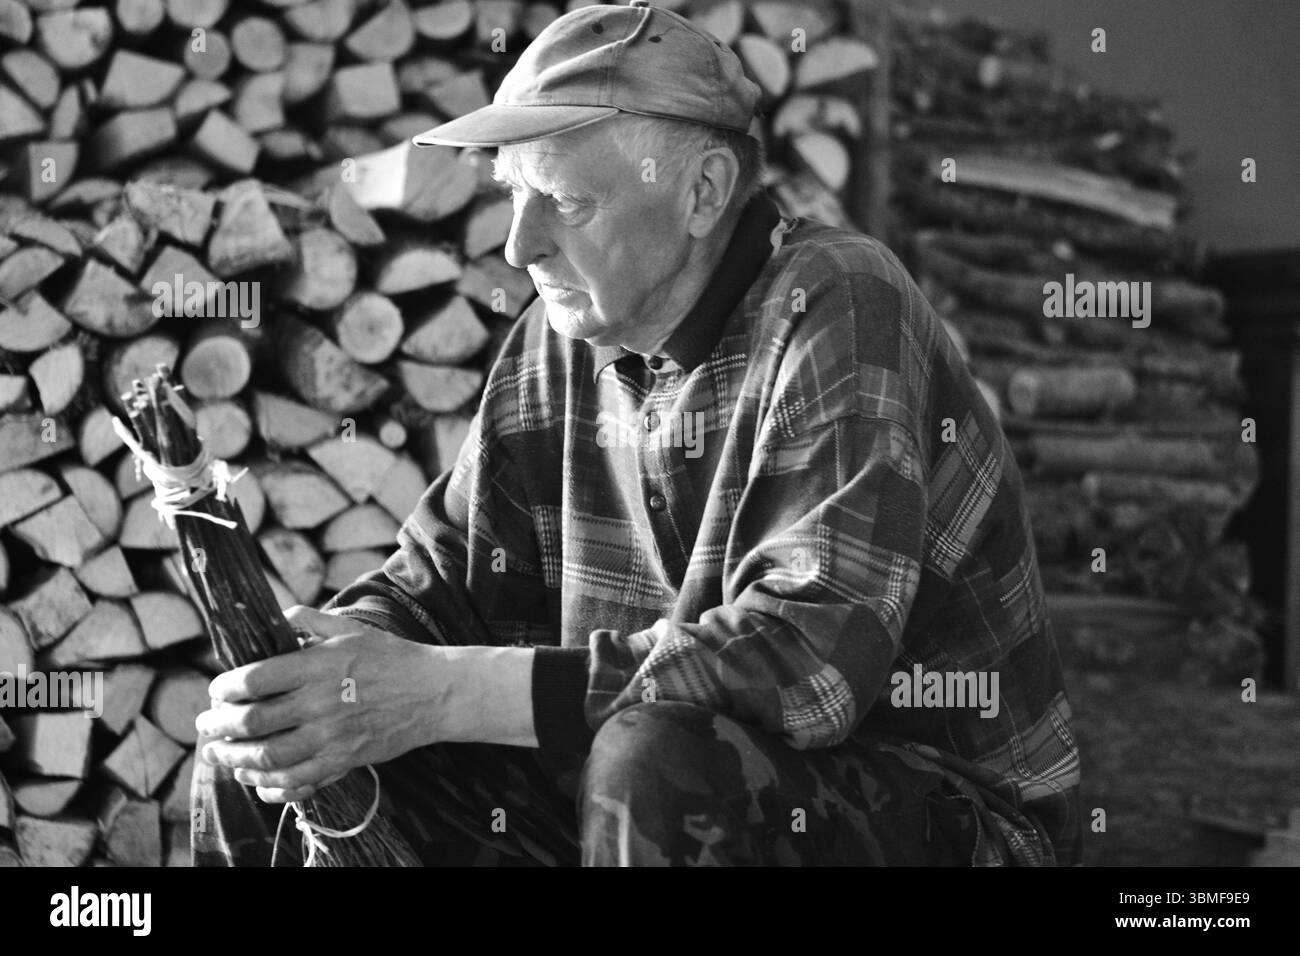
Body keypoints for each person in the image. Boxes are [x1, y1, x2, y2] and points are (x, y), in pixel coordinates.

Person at [192, 0, 1082, 867]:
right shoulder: (563, 334)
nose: (518, 247)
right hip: (632, 790)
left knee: (657, 759)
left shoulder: (838, 300)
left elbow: (808, 666)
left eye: (563, 201)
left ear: (702, 192)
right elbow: (441, 585)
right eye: (511, 196)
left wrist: (441, 692)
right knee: (273, 742)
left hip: (941, 818)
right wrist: (321, 678)